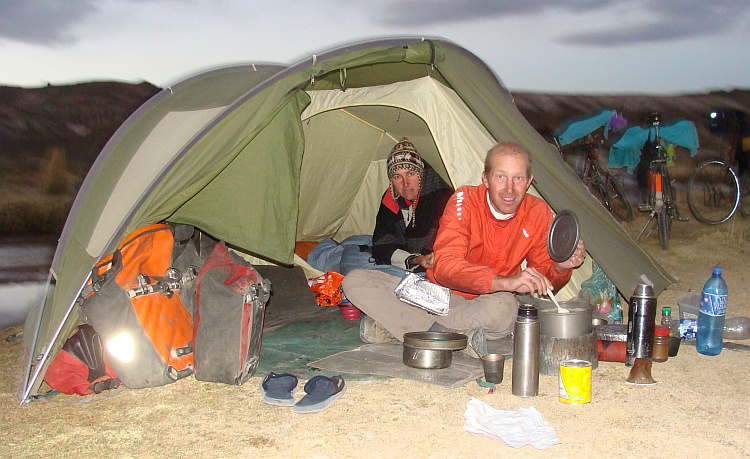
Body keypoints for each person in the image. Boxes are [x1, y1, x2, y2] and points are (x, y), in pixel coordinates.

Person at [343, 141, 586, 355]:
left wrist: (560, 266)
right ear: (486, 179)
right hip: (439, 296)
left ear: (529, 181)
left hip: (487, 303)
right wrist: (504, 281)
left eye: (518, 178)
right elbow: (445, 267)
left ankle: (412, 330)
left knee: (506, 308)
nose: (509, 189)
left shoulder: (538, 213)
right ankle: (453, 336)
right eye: (501, 177)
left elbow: (543, 280)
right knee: (354, 281)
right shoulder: (464, 201)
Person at [306, 138, 453, 277]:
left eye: (411, 174)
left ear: (420, 175)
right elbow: (382, 242)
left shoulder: (441, 198)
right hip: (409, 260)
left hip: (431, 268)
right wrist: (414, 259)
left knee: (354, 269)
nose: (406, 183)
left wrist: (421, 260)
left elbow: (447, 249)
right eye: (397, 177)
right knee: (352, 250)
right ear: (391, 180)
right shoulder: (391, 198)